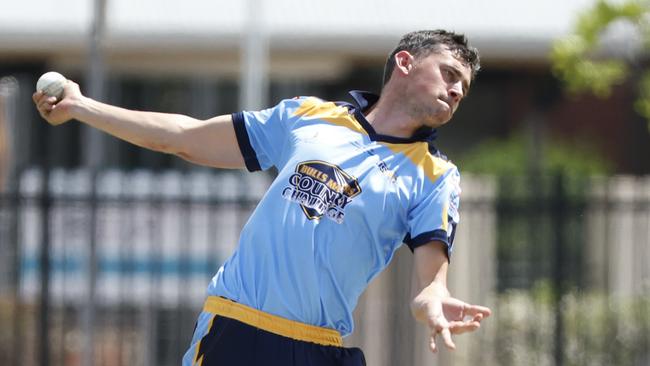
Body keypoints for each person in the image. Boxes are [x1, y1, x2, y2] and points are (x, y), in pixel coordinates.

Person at [33, 29, 492, 366]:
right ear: (406, 62)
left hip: (320, 346)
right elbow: (184, 137)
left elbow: (433, 273)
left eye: (463, 89)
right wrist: (81, 106)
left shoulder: (436, 174)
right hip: (237, 327)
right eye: (449, 74)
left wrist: (431, 298)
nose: (455, 91)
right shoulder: (309, 116)